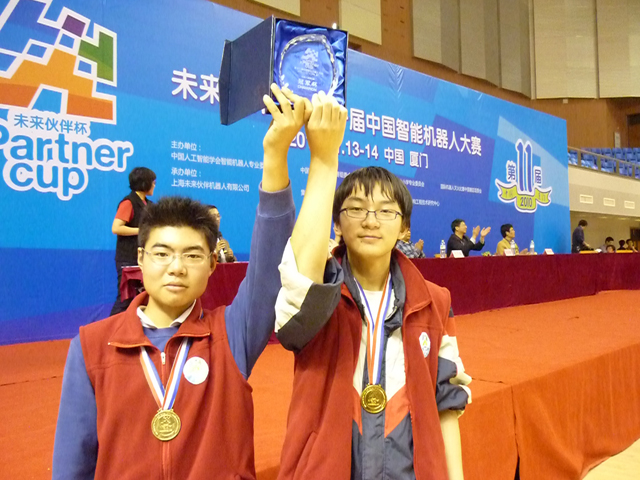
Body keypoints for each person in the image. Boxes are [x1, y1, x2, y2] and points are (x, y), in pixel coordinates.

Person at [52, 84, 318, 479]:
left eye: (192, 255)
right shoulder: (91, 347)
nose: (176, 267)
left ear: (211, 265)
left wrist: (276, 154)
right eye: (162, 253)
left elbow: (268, 270)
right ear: (140, 260)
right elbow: (72, 463)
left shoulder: (230, 336)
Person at [275, 157, 471, 477]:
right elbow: (290, 327)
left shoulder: (435, 301)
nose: (370, 221)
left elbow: (446, 403)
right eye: (356, 209)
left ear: (404, 228)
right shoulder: (319, 293)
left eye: (385, 211)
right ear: (337, 224)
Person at [110, 167, 156, 315]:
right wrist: (141, 230)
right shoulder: (129, 203)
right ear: (144, 183)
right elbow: (116, 228)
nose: (154, 185)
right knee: (125, 299)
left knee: (143, 297)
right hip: (128, 259)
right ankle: (111, 327)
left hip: (145, 258)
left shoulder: (150, 205)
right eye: (152, 182)